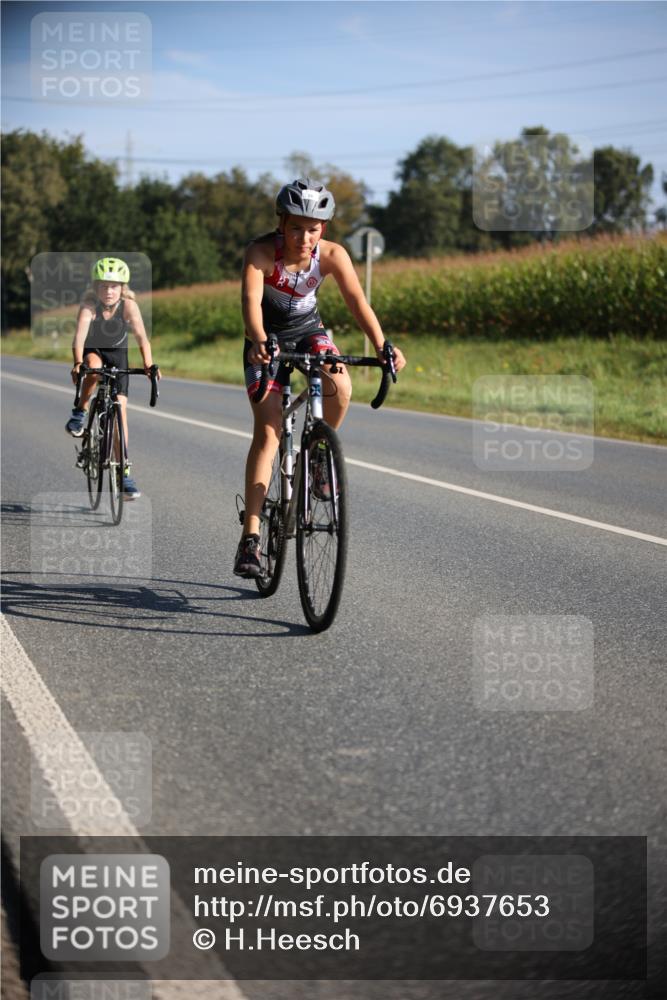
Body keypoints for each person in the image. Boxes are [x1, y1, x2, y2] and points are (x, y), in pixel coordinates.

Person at [234, 177, 406, 578]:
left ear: (323, 228)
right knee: (269, 431)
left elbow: (356, 301)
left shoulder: (331, 254)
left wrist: (383, 345)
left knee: (341, 385)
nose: (304, 237)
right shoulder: (260, 252)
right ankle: (251, 539)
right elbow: (250, 303)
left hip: (309, 329)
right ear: (281, 223)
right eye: (295, 227)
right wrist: (260, 340)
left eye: (313, 228)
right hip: (267, 336)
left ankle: (319, 456)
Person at [65, 257, 159, 499]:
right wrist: (77, 363)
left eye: (114, 286)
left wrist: (148, 365)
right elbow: (78, 338)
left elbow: (141, 337)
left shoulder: (128, 306)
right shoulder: (89, 306)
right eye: (104, 286)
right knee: (93, 368)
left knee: (121, 414)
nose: (108, 291)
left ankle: (124, 473)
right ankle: (81, 410)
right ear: (95, 288)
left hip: (118, 357)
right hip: (93, 351)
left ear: (122, 288)